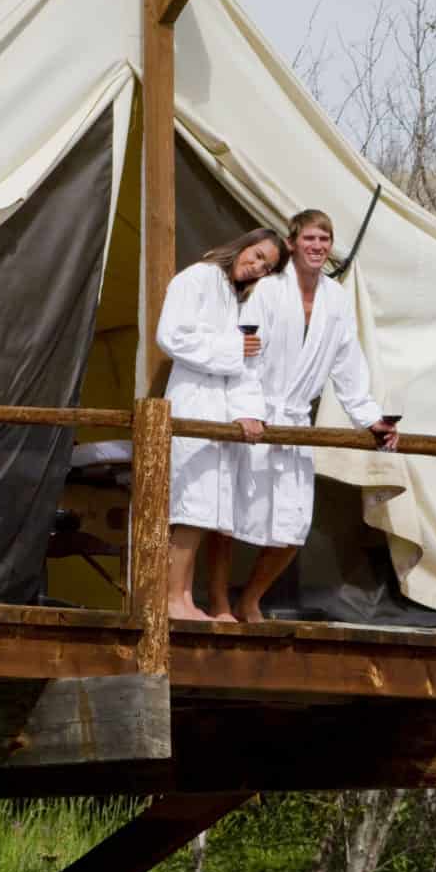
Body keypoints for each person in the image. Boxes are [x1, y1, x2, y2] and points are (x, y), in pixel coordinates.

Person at [231, 209, 398, 621]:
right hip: (256, 413)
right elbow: (246, 354)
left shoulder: (336, 300)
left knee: (294, 522)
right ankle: (218, 601)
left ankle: (250, 597)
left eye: (324, 239)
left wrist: (371, 417)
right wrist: (248, 410)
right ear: (292, 244)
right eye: (309, 238)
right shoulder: (268, 291)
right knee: (228, 513)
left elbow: (347, 363)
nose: (317, 246)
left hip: (296, 422)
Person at [158, 228, 288, 620]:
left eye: (268, 266)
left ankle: (182, 597)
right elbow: (170, 336)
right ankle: (168, 599)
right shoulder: (195, 278)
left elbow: (241, 364)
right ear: (244, 245)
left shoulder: (234, 297)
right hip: (193, 399)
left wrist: (245, 411)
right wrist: (233, 347)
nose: (259, 266)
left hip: (217, 406)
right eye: (258, 255)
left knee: (200, 510)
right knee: (188, 506)